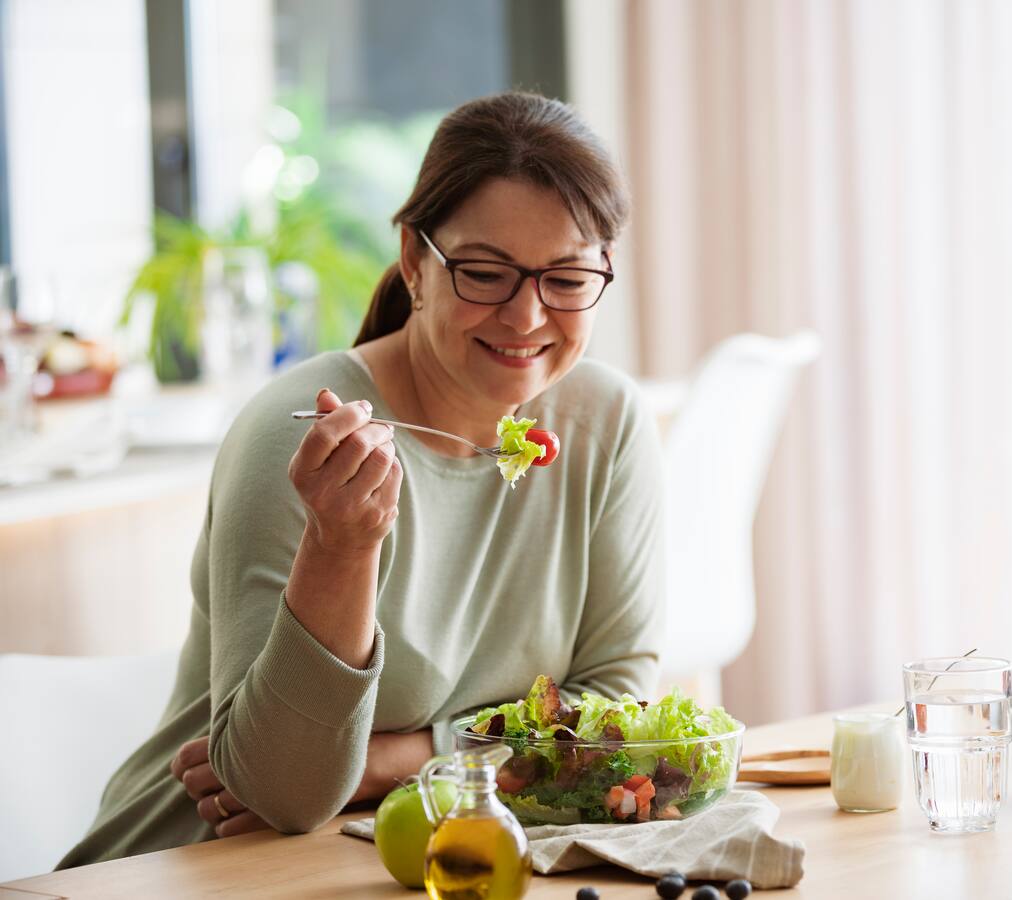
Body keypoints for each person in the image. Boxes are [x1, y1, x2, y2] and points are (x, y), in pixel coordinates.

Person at [58, 91, 663, 867]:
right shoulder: (309, 441)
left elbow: (616, 709)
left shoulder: (603, 424)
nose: (526, 318)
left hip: (398, 858)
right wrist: (342, 544)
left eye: (569, 280)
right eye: (484, 274)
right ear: (415, 260)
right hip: (185, 868)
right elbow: (286, 794)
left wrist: (398, 760)